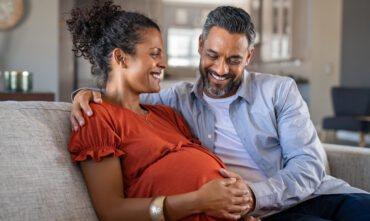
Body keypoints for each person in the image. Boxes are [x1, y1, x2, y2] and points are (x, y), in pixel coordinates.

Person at [71, 4, 370, 221]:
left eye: (234, 59)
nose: (221, 69)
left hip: (318, 195)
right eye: (213, 55)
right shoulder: (176, 99)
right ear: (200, 46)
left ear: (249, 56)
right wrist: (86, 95)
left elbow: (308, 165)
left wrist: (252, 197)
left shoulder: (279, 91)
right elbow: (119, 98)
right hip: (269, 216)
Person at [67, 1, 261, 221]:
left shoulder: (166, 114)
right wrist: (198, 200)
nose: (164, 63)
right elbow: (111, 212)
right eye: (154, 54)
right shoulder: (96, 118)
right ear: (121, 58)